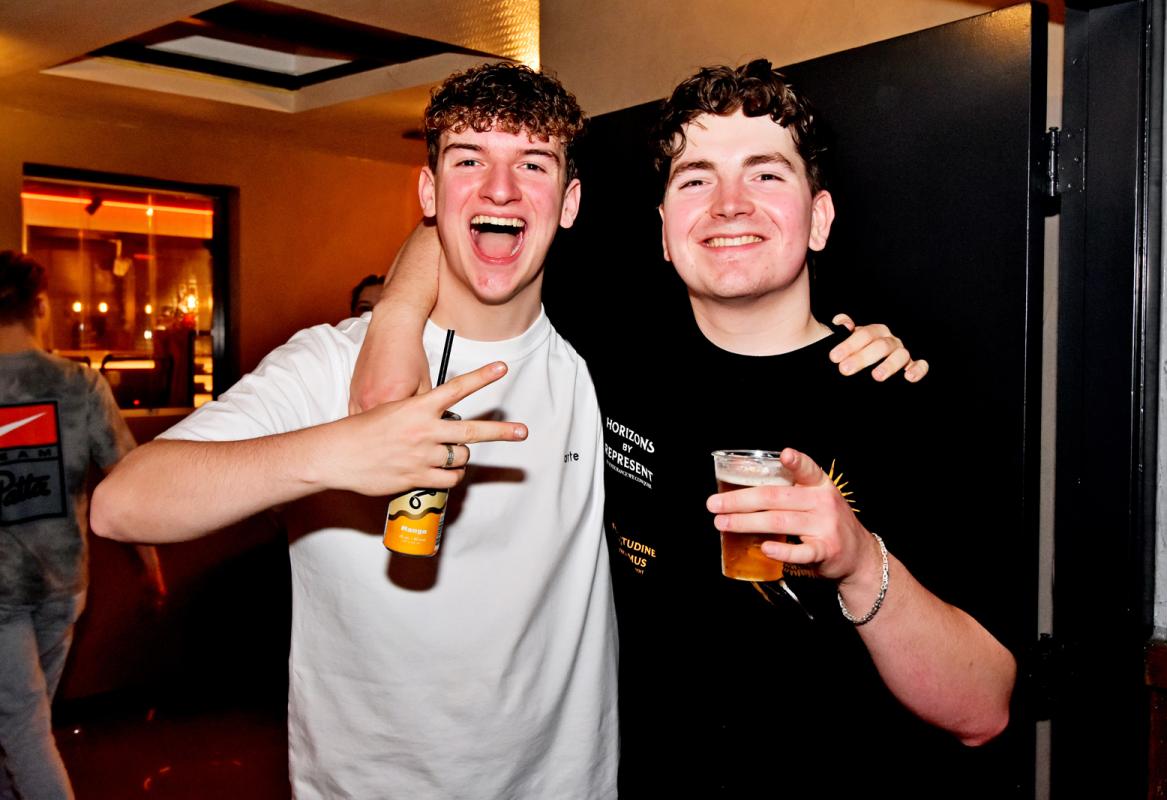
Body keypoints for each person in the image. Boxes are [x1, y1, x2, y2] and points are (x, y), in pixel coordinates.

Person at [351, 61, 1014, 797]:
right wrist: (394, 319)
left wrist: (859, 562)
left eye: (766, 175)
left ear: (820, 218)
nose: (729, 205)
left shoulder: (903, 399)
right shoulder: (607, 356)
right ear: (665, 230)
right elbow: (472, 219)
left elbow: (983, 709)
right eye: (697, 179)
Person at [91, 64, 613, 800]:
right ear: (428, 192)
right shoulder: (331, 363)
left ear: (569, 201)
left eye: (533, 163)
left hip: (562, 785)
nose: (500, 189)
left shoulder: (600, 365)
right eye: (468, 160)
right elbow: (122, 504)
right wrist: (338, 451)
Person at [0, 251, 164, 800]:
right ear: (41, 307)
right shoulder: (80, 385)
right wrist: (151, 566)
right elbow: (129, 480)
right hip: (63, 586)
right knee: (25, 727)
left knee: (21, 729)